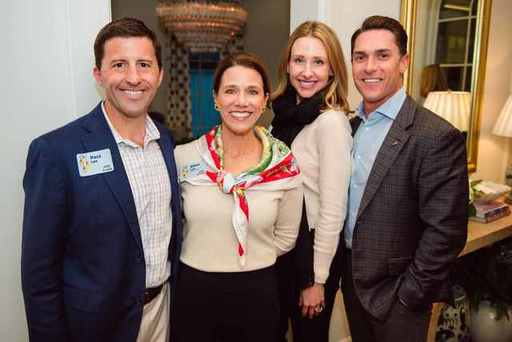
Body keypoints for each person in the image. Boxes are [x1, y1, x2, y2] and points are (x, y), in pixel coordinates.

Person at [21, 17, 182, 342]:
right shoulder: (56, 152)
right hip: (95, 326)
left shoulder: (166, 142)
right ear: (99, 74)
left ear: (160, 75)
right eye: (119, 65)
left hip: (162, 313)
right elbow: (39, 274)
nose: (133, 78)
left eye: (144, 65)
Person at [341, 15, 469, 342]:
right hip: (353, 286)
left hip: (399, 297)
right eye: (360, 57)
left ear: (404, 62)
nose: (369, 66)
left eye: (382, 55)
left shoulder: (436, 135)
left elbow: (447, 231)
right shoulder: (347, 127)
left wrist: (408, 296)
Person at [173, 53, 303, 342]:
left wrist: (250, 255)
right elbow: (173, 227)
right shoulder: (183, 157)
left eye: (252, 91)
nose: (241, 101)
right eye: (230, 91)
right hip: (195, 293)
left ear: (265, 100)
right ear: (216, 98)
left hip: (258, 293)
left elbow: (285, 238)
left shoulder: (285, 165)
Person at [271, 21, 352, 342]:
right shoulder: (285, 116)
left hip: (313, 254)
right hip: (286, 246)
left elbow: (333, 210)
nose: (307, 71)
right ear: (287, 64)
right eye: (299, 60)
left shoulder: (330, 122)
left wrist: (316, 280)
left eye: (318, 62)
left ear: (333, 70)